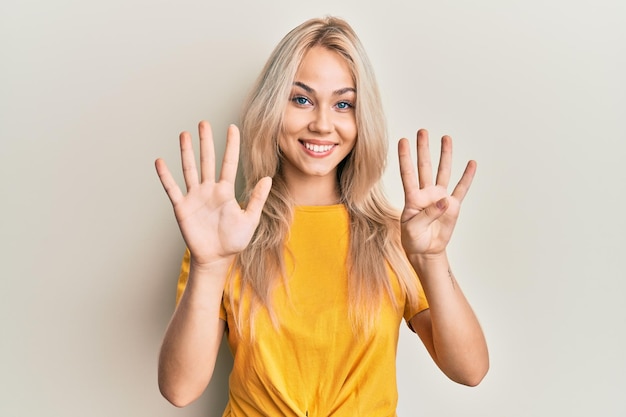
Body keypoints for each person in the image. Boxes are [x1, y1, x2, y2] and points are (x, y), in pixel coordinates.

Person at [155, 16, 488, 417]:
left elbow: (470, 370)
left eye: (343, 104)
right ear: (272, 107)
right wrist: (209, 267)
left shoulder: (398, 235)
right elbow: (179, 388)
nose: (322, 124)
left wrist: (432, 260)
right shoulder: (227, 234)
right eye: (302, 99)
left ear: (361, 119)